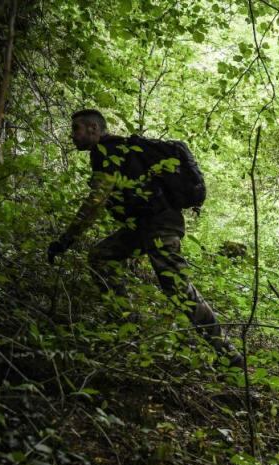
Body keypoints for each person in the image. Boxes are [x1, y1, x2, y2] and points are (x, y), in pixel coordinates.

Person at [47, 109, 240, 366]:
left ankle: (229, 354)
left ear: (93, 128)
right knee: (100, 256)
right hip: (144, 226)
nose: (72, 136)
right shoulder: (119, 149)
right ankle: (129, 328)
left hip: (160, 225)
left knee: (178, 288)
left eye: (76, 129)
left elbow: (95, 202)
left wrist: (66, 240)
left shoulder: (108, 152)